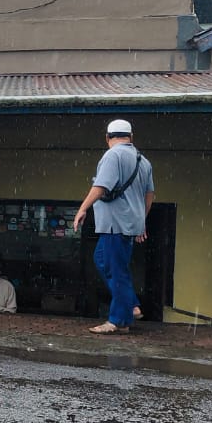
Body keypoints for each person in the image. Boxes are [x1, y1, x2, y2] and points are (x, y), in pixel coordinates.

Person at [73, 119, 155, 334]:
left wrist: (83, 208)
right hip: (130, 222)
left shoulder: (113, 155)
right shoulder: (143, 161)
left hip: (114, 223)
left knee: (116, 269)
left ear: (107, 137)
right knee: (102, 259)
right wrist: (141, 220)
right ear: (131, 137)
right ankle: (130, 304)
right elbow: (149, 195)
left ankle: (118, 320)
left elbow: (101, 186)